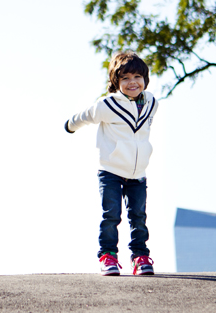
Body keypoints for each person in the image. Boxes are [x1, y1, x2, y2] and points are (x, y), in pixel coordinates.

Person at [65, 51, 159, 276]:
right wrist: (70, 125)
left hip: (138, 172)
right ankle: (107, 256)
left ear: (145, 79)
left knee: (138, 216)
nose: (132, 82)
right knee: (112, 215)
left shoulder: (152, 103)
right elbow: (87, 116)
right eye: (125, 78)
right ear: (116, 82)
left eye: (137, 77)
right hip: (111, 170)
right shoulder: (107, 105)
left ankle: (140, 257)